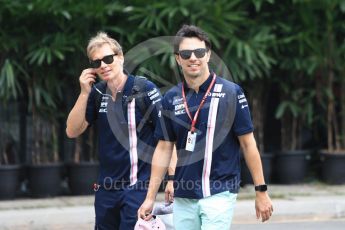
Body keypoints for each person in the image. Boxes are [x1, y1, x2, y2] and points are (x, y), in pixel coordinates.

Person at [138, 25, 273, 229]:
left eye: (199, 52)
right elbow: (164, 149)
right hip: (183, 196)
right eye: (186, 53)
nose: (193, 58)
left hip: (220, 192)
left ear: (208, 55)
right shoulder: (171, 98)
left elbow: (248, 144)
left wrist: (261, 190)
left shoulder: (231, 92)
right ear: (178, 58)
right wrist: (150, 197)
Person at [66, 31, 163, 230]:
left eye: (108, 58)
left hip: (137, 187)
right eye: (96, 62)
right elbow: (72, 131)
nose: (103, 65)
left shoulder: (144, 88)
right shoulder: (97, 93)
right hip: (106, 189)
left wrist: (168, 181)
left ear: (121, 57)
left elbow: (166, 139)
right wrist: (84, 93)